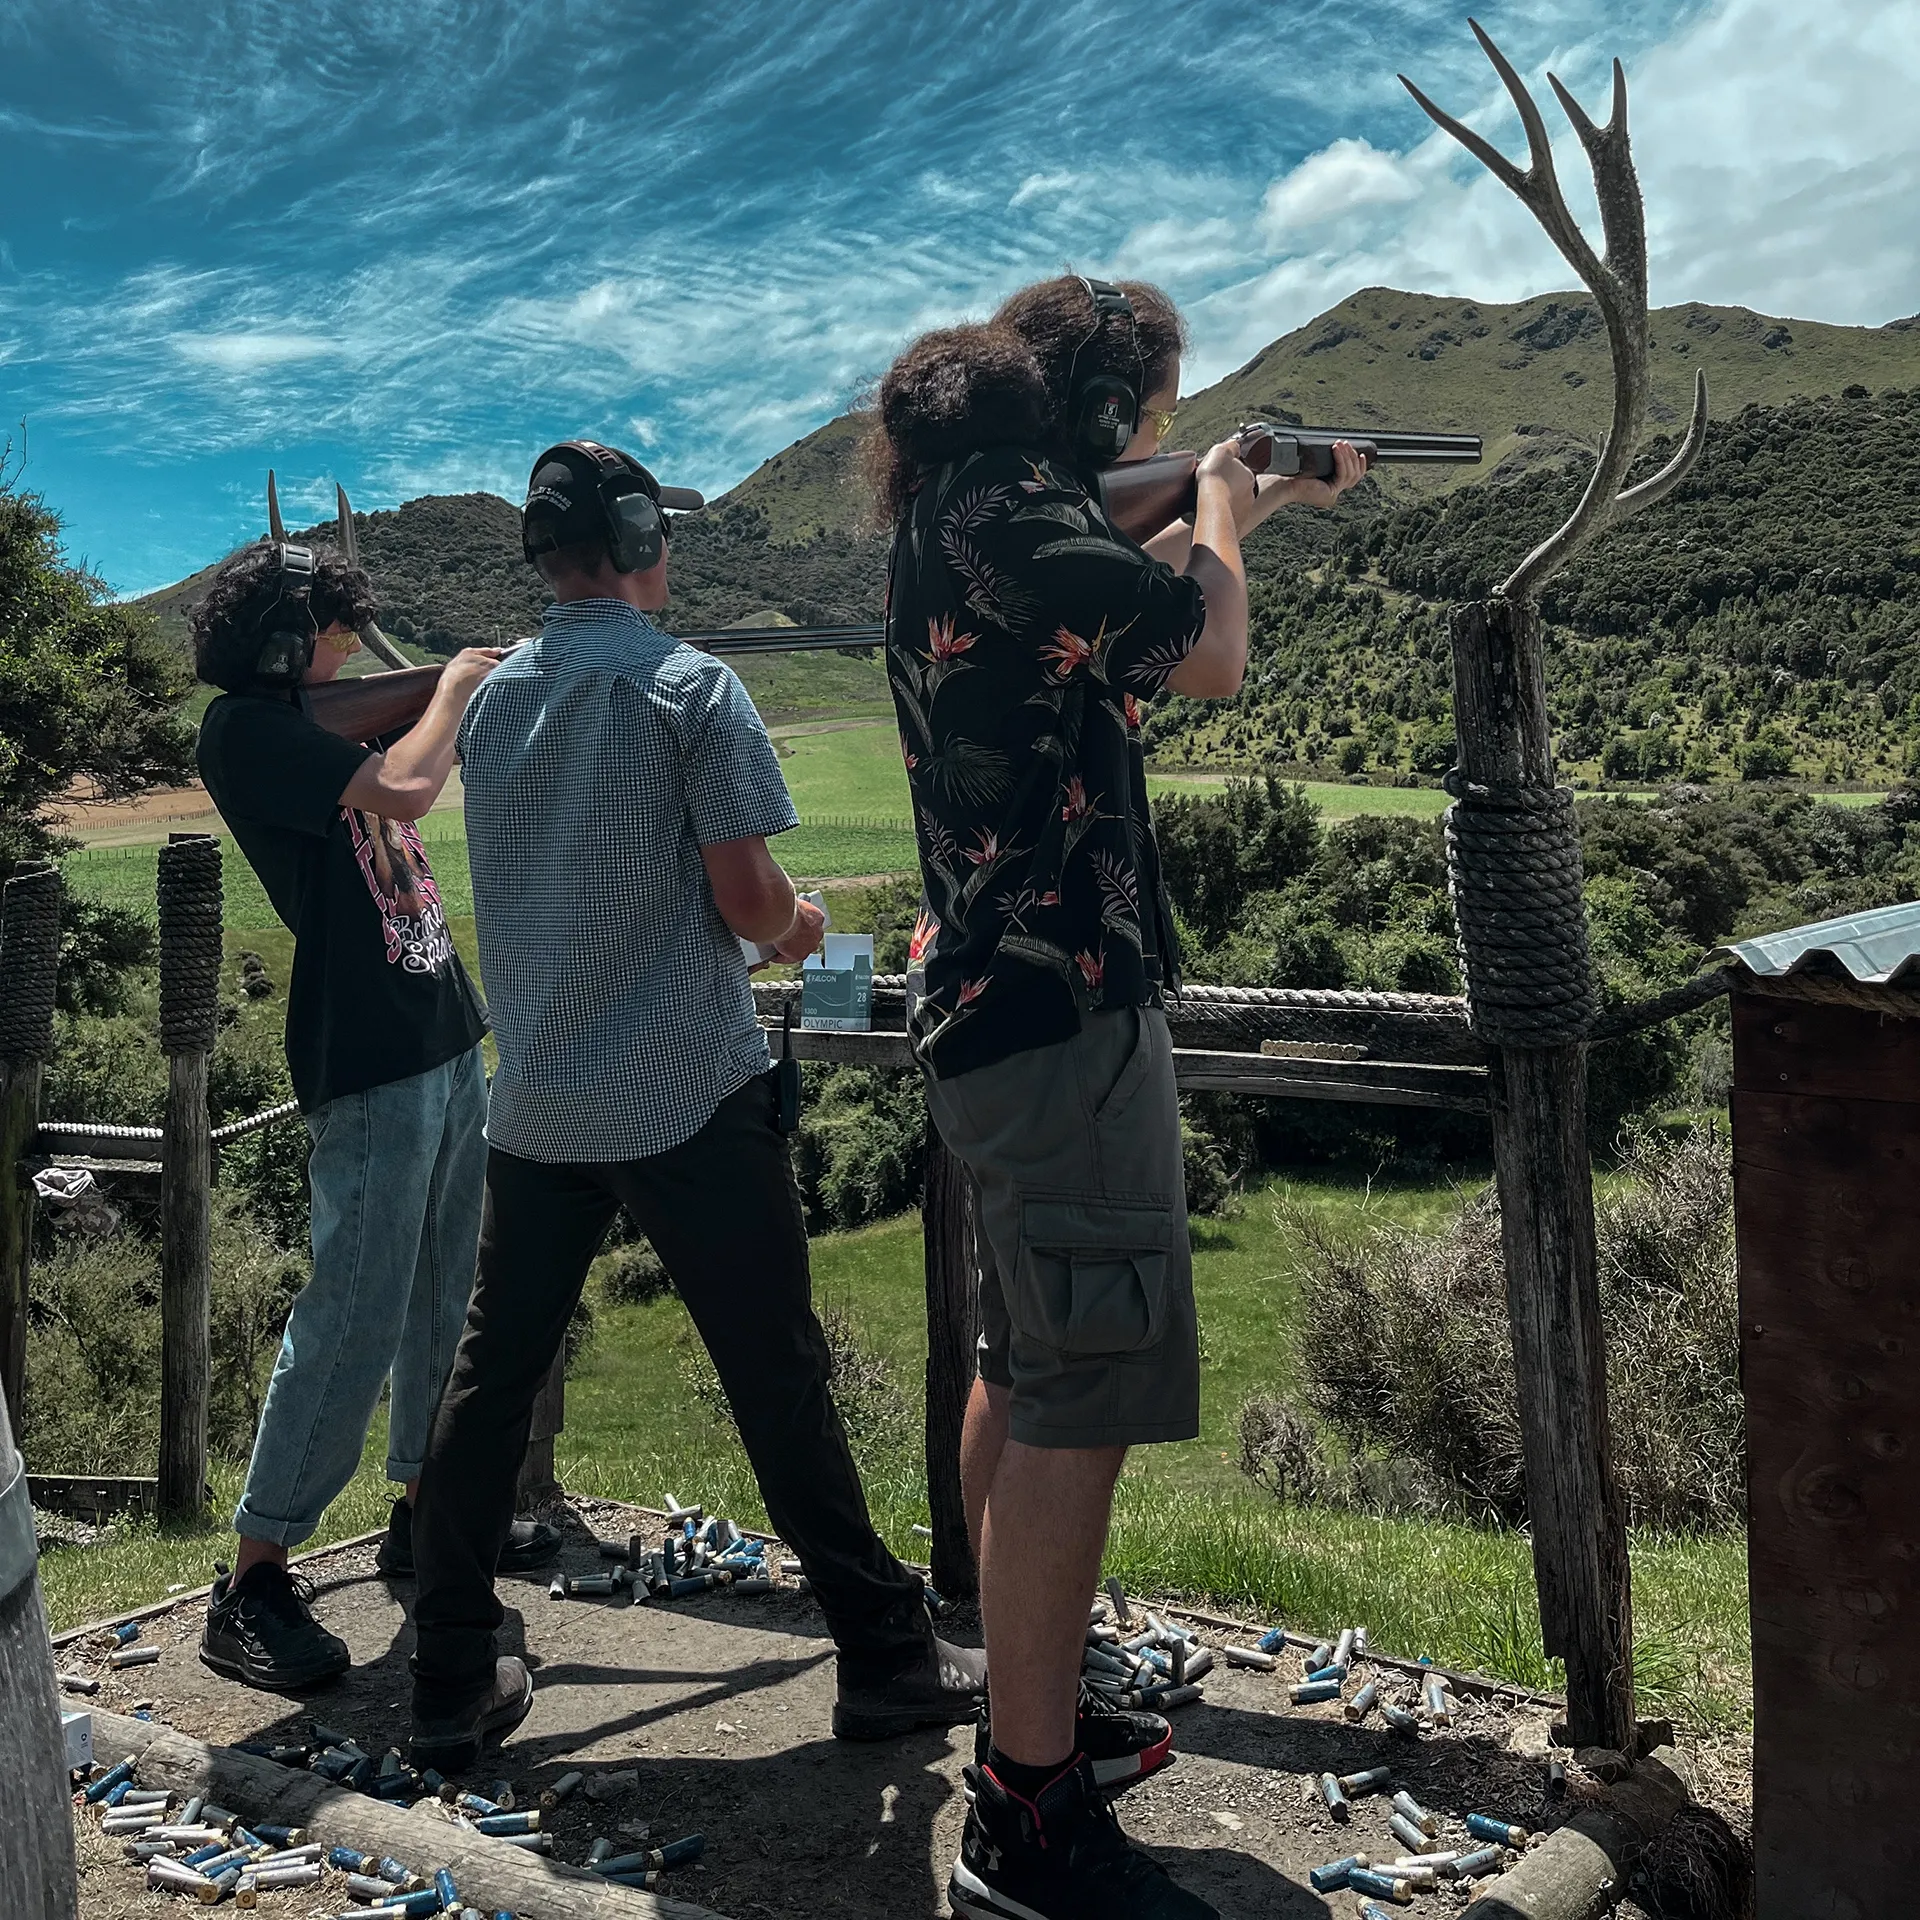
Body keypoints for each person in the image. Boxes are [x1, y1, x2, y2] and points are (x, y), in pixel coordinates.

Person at [870, 278, 1364, 1920]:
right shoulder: (1017, 511)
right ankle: (1026, 1808)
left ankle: (1038, 1700)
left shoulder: (972, 513)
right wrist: (1230, 499)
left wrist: (1236, 499)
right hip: (1060, 1006)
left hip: (1001, 1008)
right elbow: (1211, 653)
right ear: (1108, 413)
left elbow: (1119, 618)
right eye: (1154, 411)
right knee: (1085, 1377)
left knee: (1023, 1360)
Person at [404, 439, 988, 1769]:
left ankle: (447, 1672)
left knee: (490, 1386)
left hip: (540, 1099)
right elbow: (748, 903)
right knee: (778, 1379)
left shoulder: (491, 704)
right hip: (685, 1092)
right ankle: (887, 1656)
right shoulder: (692, 689)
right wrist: (805, 931)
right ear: (636, 533)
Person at [190, 538, 561, 1693]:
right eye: (336, 631)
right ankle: (252, 1577)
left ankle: (422, 1515)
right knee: (352, 1311)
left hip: (444, 1038)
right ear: (291, 647)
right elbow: (407, 788)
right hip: (367, 1059)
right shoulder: (245, 734)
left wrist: (457, 683)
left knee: (445, 1301)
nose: (352, 648)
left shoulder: (312, 720)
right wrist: (454, 683)